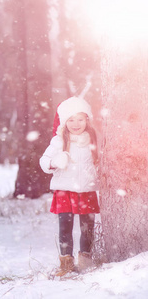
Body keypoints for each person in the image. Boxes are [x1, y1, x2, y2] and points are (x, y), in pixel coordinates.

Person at [39, 96, 100, 276]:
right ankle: (66, 263)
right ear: (64, 122)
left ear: (87, 120)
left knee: (87, 228)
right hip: (64, 190)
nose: (75, 124)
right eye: (71, 120)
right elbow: (44, 161)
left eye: (80, 119)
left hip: (87, 190)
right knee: (65, 227)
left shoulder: (93, 140)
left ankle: (86, 261)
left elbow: (100, 163)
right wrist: (55, 162)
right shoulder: (58, 141)